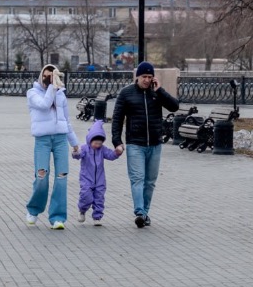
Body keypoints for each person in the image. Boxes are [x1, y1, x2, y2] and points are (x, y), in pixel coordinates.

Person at [110, 61, 179, 228]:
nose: (147, 80)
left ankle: (145, 213)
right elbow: (117, 119)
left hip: (155, 144)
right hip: (135, 144)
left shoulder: (156, 93)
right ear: (137, 77)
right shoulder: (126, 93)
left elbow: (174, 107)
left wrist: (160, 90)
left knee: (150, 181)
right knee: (137, 179)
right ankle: (139, 212)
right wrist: (117, 141)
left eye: (150, 77)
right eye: (144, 77)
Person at [25, 64, 79, 230]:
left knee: (61, 177)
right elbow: (44, 105)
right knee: (41, 176)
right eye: (46, 76)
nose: (48, 79)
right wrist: (52, 88)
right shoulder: (32, 93)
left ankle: (57, 217)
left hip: (61, 139)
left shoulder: (61, 95)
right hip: (42, 139)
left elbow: (66, 120)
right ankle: (34, 209)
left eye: (52, 76)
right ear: (41, 75)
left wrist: (74, 142)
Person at [73, 119, 121, 226]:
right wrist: (76, 152)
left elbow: (110, 155)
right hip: (86, 179)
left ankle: (97, 217)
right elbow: (77, 155)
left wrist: (117, 152)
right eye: (95, 143)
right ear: (90, 140)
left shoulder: (102, 149)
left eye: (100, 143)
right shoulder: (84, 148)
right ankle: (82, 210)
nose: (97, 145)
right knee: (86, 196)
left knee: (99, 197)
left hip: (100, 179)